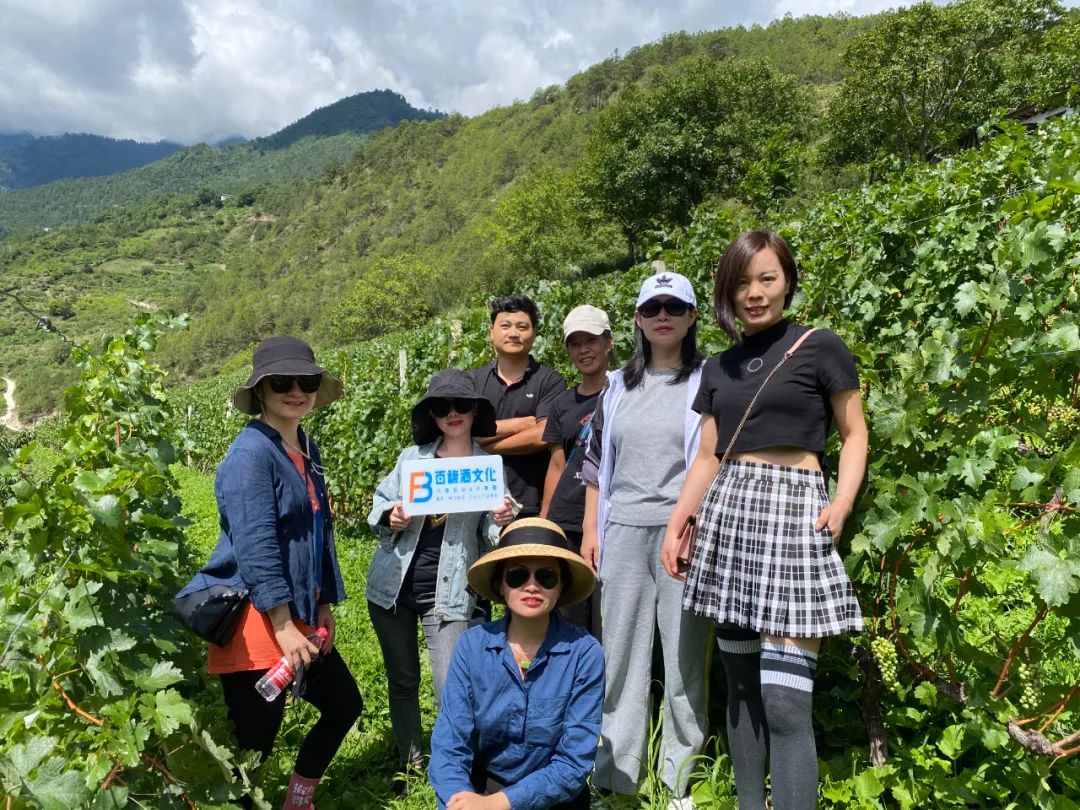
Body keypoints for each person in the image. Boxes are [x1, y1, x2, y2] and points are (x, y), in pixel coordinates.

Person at [661, 231, 867, 810]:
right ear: (728, 293)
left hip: (795, 511)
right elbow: (707, 456)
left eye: (767, 279)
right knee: (743, 692)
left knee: (785, 702)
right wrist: (679, 524)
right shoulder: (719, 368)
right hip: (728, 516)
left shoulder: (819, 346)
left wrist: (842, 502)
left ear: (788, 282)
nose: (754, 293)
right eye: (742, 283)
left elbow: (854, 434)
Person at [176, 336, 362, 810]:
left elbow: (320, 532)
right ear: (260, 391)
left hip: (300, 615)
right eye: (282, 382)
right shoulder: (250, 456)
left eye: (307, 381)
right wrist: (282, 626)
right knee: (255, 747)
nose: (296, 390)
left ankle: (297, 800)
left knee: (344, 705)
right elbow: (256, 546)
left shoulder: (306, 447)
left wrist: (323, 605)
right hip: (260, 625)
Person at [580, 270, 711, 808]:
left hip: (685, 533)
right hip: (624, 531)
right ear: (637, 318)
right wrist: (592, 529)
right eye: (653, 307)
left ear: (691, 317)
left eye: (674, 307)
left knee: (685, 658)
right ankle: (618, 775)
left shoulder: (708, 379)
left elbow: (713, 459)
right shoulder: (615, 387)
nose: (663, 316)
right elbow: (594, 465)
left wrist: (690, 524)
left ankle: (681, 777)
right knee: (622, 656)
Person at [366, 369, 516, 785]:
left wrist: (503, 519)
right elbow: (378, 505)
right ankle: (410, 762)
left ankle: (451, 770)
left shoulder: (487, 467)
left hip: (451, 593)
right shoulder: (411, 459)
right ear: (431, 415)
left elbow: (490, 535)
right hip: (392, 587)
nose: (452, 414)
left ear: (474, 412)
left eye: (461, 406)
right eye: (442, 407)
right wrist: (391, 515)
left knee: (451, 686)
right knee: (402, 679)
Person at [429, 518, 604, 810]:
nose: (532, 586)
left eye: (546, 577)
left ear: (561, 587)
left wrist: (500, 804)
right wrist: (458, 799)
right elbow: (450, 741)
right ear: (500, 584)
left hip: (553, 795)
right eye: (518, 576)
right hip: (481, 790)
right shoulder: (472, 646)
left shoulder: (584, 654)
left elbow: (574, 761)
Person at [540, 305, 613, 634]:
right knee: (570, 613)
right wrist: (545, 520)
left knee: (608, 612)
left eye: (592, 340)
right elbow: (557, 464)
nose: (584, 350)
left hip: (609, 519)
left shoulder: (624, 393)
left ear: (609, 343)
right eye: (575, 343)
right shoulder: (562, 405)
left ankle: (610, 682)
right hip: (567, 519)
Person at [472, 295, 567, 517]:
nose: (513, 333)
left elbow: (542, 435)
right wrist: (520, 424)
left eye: (522, 327)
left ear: (534, 335)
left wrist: (485, 446)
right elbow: (462, 430)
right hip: (478, 503)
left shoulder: (550, 381)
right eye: (505, 326)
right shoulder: (473, 381)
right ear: (491, 332)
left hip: (529, 505)